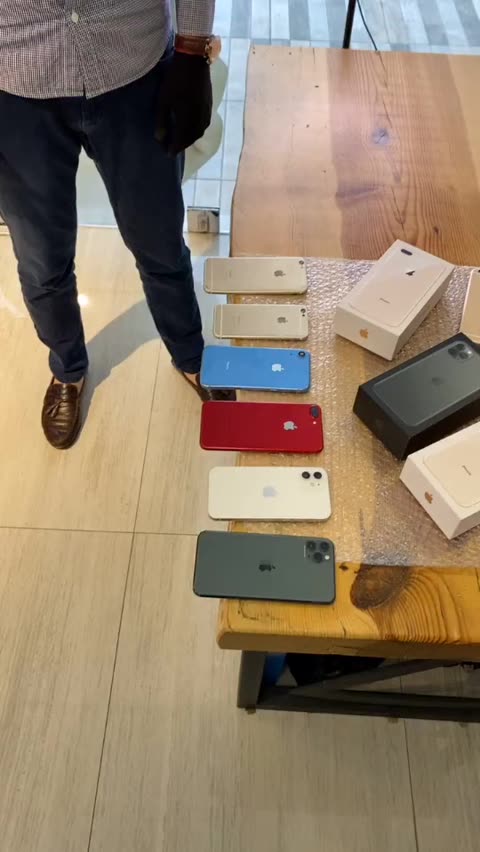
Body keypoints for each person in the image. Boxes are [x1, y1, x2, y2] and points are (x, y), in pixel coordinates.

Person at [0, 1, 234, 450]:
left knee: (159, 239)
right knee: (40, 256)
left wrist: (192, 51)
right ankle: (67, 368)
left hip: (133, 64)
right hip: (15, 80)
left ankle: (190, 353)